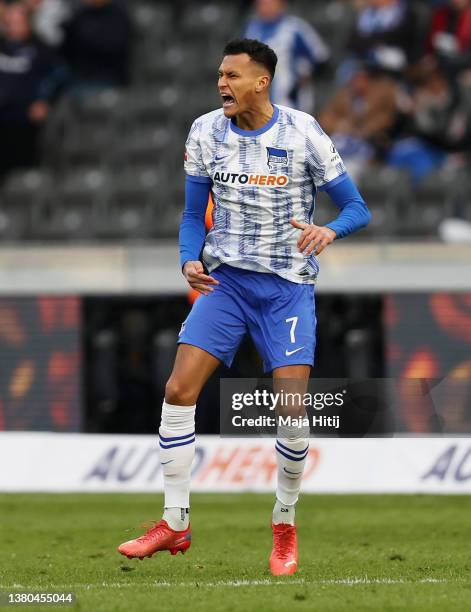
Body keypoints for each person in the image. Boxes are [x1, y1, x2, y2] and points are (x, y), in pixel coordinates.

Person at [117, 38, 371, 576]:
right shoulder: (205, 131)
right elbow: (191, 215)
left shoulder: (302, 131)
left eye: (231, 75)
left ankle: (284, 523)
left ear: (262, 81)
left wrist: (329, 229)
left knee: (292, 415)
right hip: (227, 283)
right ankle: (175, 523)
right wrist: (189, 258)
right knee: (178, 389)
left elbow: (357, 207)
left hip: (287, 289)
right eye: (219, 75)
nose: (221, 84)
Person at [0, 1, 66, 178]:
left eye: (18, 22)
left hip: (26, 120)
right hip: (3, 117)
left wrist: (44, 100)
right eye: (9, 22)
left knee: (25, 170)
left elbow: (58, 76)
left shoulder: (40, 49)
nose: (13, 27)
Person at [244, 0, 329, 111]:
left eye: (269, 2)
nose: (264, 5)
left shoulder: (295, 28)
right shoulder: (251, 28)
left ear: (281, 4)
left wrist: (303, 80)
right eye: (261, 2)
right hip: (258, 105)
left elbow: (321, 57)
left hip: (289, 103)